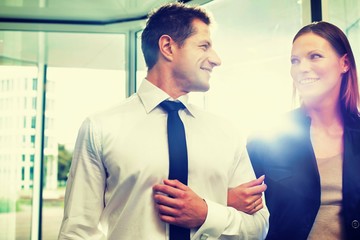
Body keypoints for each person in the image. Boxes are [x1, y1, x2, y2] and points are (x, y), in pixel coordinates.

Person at [58, 2, 269, 240]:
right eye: (204, 46)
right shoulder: (100, 127)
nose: (216, 59)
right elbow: (77, 232)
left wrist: (207, 213)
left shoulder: (226, 132)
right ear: (168, 47)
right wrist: (223, 202)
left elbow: (259, 227)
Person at [229, 21, 360, 240]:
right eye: (295, 61)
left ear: (344, 63)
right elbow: (240, 215)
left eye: (315, 56)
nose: (302, 68)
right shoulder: (266, 139)